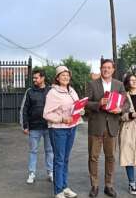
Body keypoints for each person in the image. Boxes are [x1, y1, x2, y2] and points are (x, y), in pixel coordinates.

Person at [86, 59, 129, 198]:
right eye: (104, 67)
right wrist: (98, 103)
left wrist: (120, 109)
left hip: (112, 125)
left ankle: (109, 185)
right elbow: (86, 103)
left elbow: (126, 103)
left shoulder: (119, 84)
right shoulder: (92, 84)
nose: (106, 70)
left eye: (109, 68)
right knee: (93, 157)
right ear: (100, 68)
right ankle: (95, 185)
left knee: (110, 157)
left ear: (113, 70)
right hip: (96, 126)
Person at [43, 66, 81, 198]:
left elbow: (76, 105)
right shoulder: (53, 93)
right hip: (58, 130)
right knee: (59, 160)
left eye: (67, 75)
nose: (65, 77)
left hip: (72, 127)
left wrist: (80, 110)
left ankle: (65, 187)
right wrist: (62, 118)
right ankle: (58, 191)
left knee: (65, 159)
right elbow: (46, 113)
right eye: (62, 75)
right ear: (57, 78)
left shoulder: (72, 91)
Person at [20, 69, 53, 184]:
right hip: (34, 128)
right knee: (33, 151)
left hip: (49, 127)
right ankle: (32, 173)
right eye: (33, 78)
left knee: (49, 150)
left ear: (43, 78)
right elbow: (24, 109)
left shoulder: (51, 91)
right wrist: (25, 125)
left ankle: (50, 172)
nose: (34, 80)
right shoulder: (29, 92)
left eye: (36, 78)